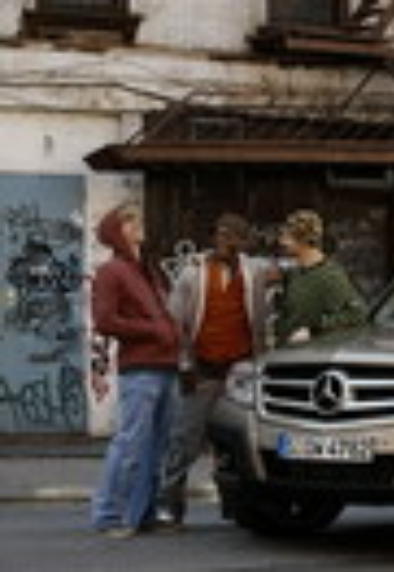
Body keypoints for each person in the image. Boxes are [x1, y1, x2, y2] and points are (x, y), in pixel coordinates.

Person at [155, 213, 274, 527]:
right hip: (203, 369)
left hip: (241, 371)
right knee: (185, 439)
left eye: (232, 235)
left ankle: (236, 505)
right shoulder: (193, 273)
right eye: (220, 234)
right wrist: (184, 364)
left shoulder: (255, 271)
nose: (224, 241)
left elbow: (287, 275)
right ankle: (169, 505)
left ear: (243, 241)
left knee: (235, 441)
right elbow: (175, 323)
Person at [90, 203, 179, 538]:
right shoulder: (111, 271)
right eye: (130, 222)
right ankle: (109, 516)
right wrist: (152, 330)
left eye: (137, 220)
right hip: (140, 370)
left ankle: (143, 514)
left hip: (167, 366)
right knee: (130, 446)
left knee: (158, 448)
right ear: (116, 232)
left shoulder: (148, 270)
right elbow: (104, 321)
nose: (138, 225)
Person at [274, 209, 367, 346]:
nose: (281, 242)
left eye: (287, 237)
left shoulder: (330, 276)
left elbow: (356, 315)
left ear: (302, 240)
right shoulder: (295, 273)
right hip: (286, 351)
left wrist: (314, 330)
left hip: (312, 352)